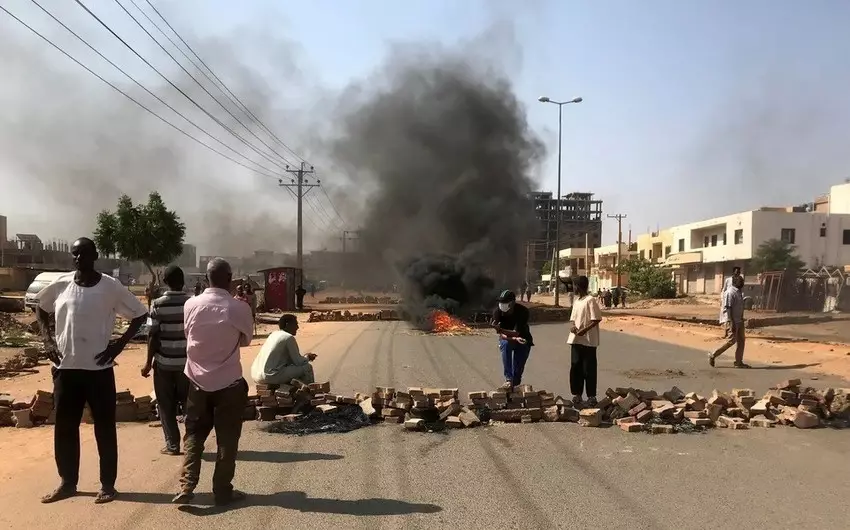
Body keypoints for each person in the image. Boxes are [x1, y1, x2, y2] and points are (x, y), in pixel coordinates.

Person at [35, 238, 148, 504]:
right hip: (66, 369)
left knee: (105, 428)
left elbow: (140, 315)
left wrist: (117, 346)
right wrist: (48, 340)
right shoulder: (61, 284)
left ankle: (108, 485)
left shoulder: (110, 287)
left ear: (95, 255)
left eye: (83, 253)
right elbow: (40, 308)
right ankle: (67, 483)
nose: (78, 258)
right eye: (75, 254)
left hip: (99, 370)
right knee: (64, 427)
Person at [173, 258, 253, 506]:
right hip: (228, 383)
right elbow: (247, 340)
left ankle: (187, 486)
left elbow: (189, 334)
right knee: (227, 439)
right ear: (229, 279)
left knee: (194, 434)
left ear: (207, 278)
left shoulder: (190, 304)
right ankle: (222, 490)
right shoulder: (238, 307)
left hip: (196, 381)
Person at [142, 265, 191, 456]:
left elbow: (152, 336)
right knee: (189, 405)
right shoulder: (192, 303)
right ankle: (191, 444)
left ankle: (172, 445)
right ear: (183, 281)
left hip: (164, 364)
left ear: (165, 282)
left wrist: (147, 363)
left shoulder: (157, 304)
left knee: (165, 405)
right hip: (187, 365)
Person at [250, 314, 317, 386]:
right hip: (271, 376)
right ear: (288, 325)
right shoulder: (288, 337)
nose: (297, 327)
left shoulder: (273, 334)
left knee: (290, 368)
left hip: (256, 375)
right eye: (295, 324)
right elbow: (298, 362)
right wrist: (307, 357)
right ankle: (310, 392)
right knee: (307, 367)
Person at [567, 275, 603, 408]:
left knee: (588, 369)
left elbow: (596, 319)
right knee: (575, 367)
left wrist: (585, 330)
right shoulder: (577, 301)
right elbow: (573, 319)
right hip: (576, 339)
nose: (573, 288)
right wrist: (573, 327)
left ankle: (591, 396)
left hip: (588, 341)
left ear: (579, 286)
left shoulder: (590, 300)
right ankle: (577, 394)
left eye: (574, 285)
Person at [490, 290, 533, 390]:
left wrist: (501, 330)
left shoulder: (523, 311)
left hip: (523, 339)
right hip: (508, 339)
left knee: (517, 373)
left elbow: (516, 333)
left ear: (512, 303)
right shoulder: (497, 312)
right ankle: (508, 379)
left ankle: (514, 386)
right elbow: (501, 335)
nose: (502, 305)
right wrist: (508, 336)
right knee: (505, 344)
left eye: (504, 302)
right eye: (500, 302)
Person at [709, 275, 750, 368]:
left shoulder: (739, 292)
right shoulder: (730, 292)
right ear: (734, 282)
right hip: (731, 320)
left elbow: (740, 307)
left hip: (739, 320)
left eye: (742, 281)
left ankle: (738, 362)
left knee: (741, 341)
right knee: (731, 340)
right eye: (740, 281)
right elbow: (728, 308)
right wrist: (731, 322)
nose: (742, 283)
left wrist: (741, 318)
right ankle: (713, 354)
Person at [719, 267, 742, 338]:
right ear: (733, 272)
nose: (737, 273)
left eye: (738, 272)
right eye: (736, 272)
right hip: (728, 299)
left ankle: (732, 333)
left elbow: (740, 290)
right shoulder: (728, 280)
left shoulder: (740, 279)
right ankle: (726, 333)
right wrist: (722, 299)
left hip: (735, 299)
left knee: (734, 316)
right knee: (727, 317)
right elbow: (724, 289)